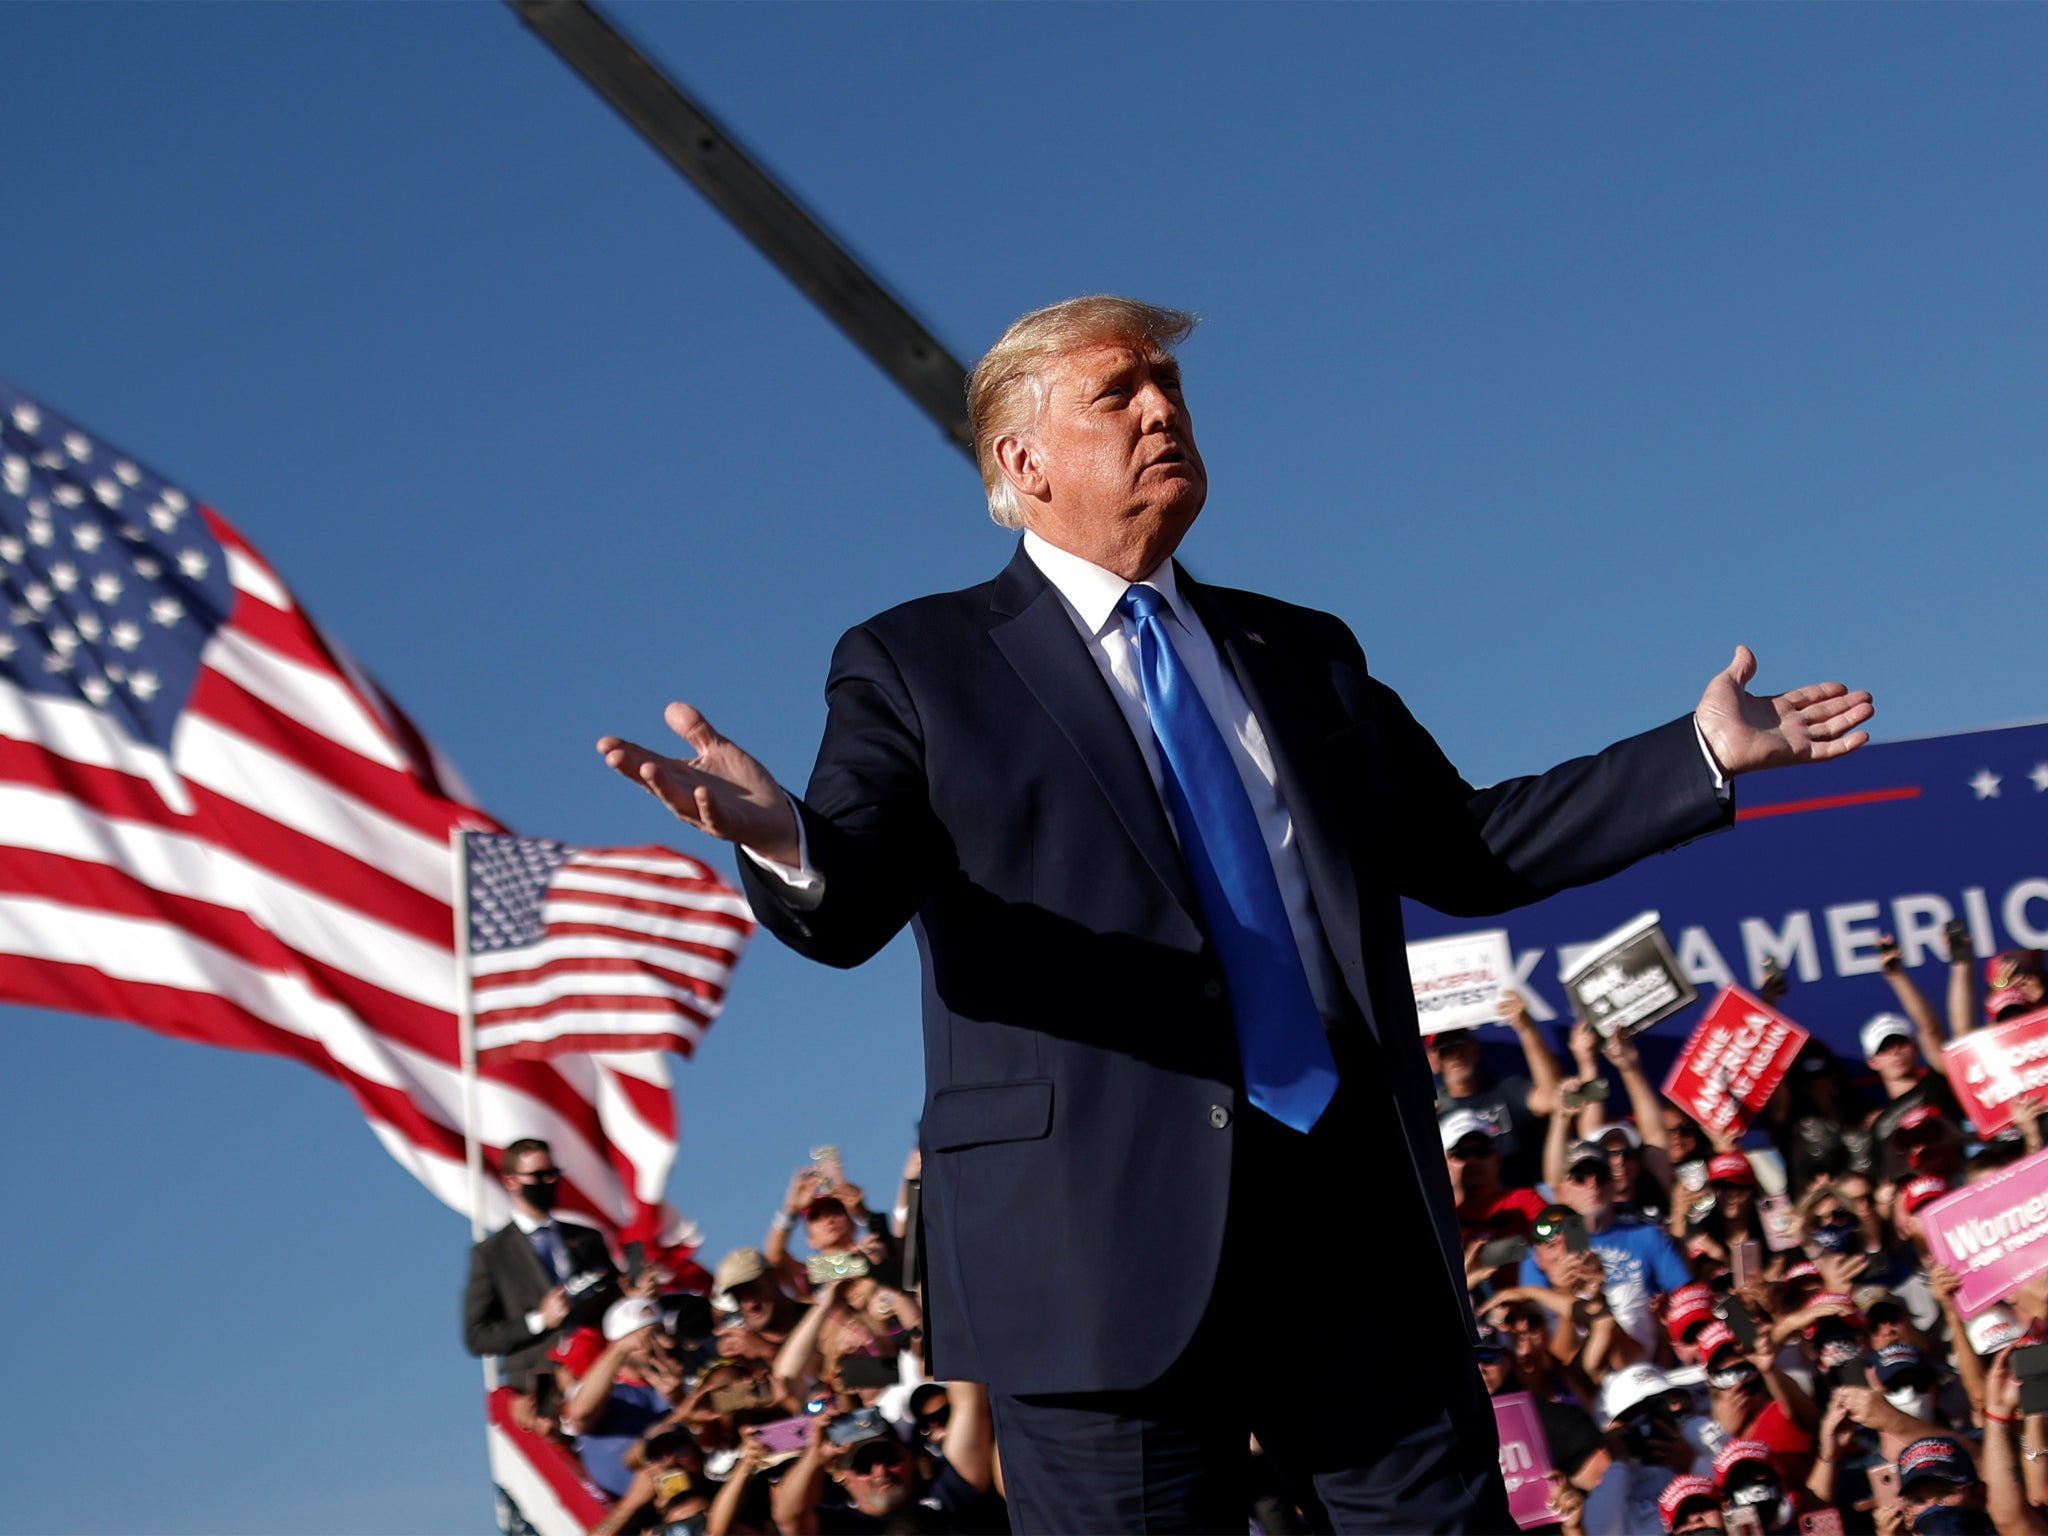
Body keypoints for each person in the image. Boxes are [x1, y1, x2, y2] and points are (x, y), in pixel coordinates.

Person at [598, 295, 1873, 1533]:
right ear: (1021, 460)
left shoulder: (1299, 649)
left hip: (1349, 1206)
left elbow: (1467, 847)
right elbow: (852, 896)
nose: (1164, 411)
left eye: (1170, 387)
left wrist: (1694, 756)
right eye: (1120, 392)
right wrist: (778, 835)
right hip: (1095, 1236)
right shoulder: (916, 662)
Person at [463, 1137, 618, 1387]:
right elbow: (477, 1336)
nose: (547, 1182)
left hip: (597, 1373)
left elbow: (615, 1293)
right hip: (537, 1386)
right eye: (537, 1175)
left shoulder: (586, 1238)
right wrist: (539, 1321)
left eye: (552, 1174)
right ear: (510, 1181)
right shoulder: (492, 1255)